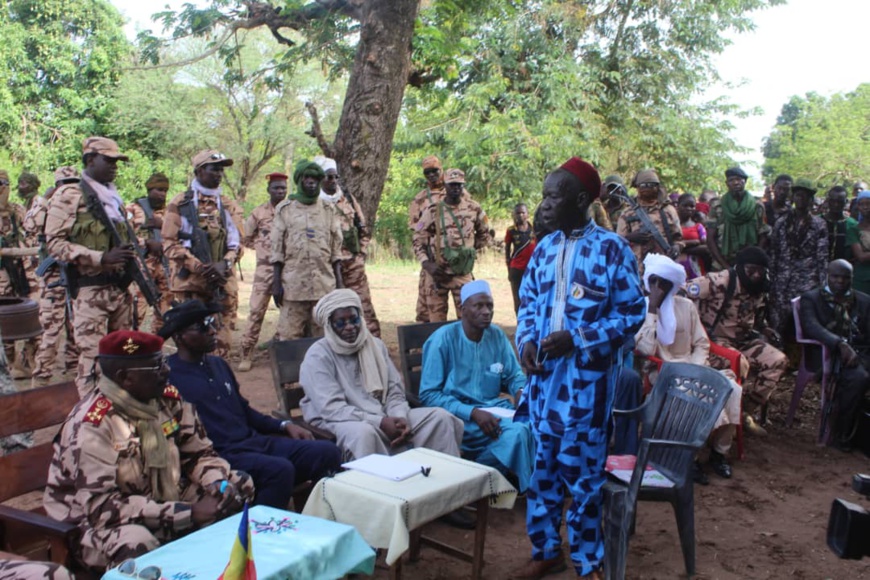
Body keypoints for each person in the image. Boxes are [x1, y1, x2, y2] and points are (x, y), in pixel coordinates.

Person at [514, 157, 645, 579]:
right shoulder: (544, 248)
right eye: (544, 196)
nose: (545, 205)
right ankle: (546, 550)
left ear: (582, 200)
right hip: (543, 386)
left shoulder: (611, 249)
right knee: (543, 474)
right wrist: (526, 341)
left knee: (584, 480)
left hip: (586, 389)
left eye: (554, 197)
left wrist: (579, 338)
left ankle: (588, 562)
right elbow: (528, 304)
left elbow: (633, 312)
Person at [44, 330, 254, 569]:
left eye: (163, 361)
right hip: (94, 525)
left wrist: (216, 483)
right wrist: (188, 513)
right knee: (137, 542)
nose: (167, 370)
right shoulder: (93, 426)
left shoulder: (165, 399)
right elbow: (101, 508)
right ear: (126, 378)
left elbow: (198, 454)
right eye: (156, 366)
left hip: (160, 499)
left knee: (238, 486)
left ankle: (215, 569)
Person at [162, 300, 341, 509]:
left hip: (252, 442)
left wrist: (283, 425)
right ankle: (259, 528)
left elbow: (244, 411)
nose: (212, 331)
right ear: (179, 337)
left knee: (327, 452)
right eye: (202, 327)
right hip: (219, 453)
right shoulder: (169, 376)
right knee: (279, 470)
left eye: (211, 322)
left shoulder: (218, 364)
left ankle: (319, 515)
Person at [300, 288, 463, 459]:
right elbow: (332, 409)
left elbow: (394, 391)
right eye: (341, 323)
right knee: (364, 434)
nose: (350, 327)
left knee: (439, 418)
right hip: (341, 421)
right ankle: (380, 477)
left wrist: (399, 417)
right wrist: (380, 422)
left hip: (384, 416)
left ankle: (442, 473)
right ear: (329, 325)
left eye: (354, 320)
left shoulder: (375, 346)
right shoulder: (318, 356)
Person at [635, 254, 743, 481]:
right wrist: (652, 309)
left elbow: (702, 343)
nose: (659, 288)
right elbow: (645, 349)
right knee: (693, 393)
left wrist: (695, 369)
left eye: (664, 283)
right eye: (654, 282)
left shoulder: (686, 306)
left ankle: (719, 453)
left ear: (672, 285)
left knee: (732, 389)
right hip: (663, 372)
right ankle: (688, 458)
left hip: (694, 367)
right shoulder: (640, 309)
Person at [44, 137, 139, 396]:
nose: (114, 166)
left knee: (124, 357)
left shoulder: (112, 196)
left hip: (120, 290)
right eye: (109, 161)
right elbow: (54, 244)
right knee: (93, 362)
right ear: (90, 160)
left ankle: (118, 412)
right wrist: (100, 257)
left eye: (117, 162)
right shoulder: (70, 195)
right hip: (90, 291)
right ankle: (88, 414)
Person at [419, 280, 534, 491]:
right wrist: (472, 412)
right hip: (460, 418)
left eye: (489, 305)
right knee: (518, 433)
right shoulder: (443, 340)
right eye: (478, 306)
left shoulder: (496, 335)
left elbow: (513, 375)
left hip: (496, 413)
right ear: (462, 309)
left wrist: (520, 392)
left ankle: (497, 477)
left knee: (536, 423)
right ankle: (478, 481)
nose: (486, 312)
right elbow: (428, 394)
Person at [687, 246, 787, 432]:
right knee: (739, 363)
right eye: (751, 270)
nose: (756, 275)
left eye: (760, 271)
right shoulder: (719, 281)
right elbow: (682, 292)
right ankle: (720, 417)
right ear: (740, 267)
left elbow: (756, 316)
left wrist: (764, 328)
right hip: (713, 341)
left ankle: (743, 412)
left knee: (778, 361)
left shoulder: (761, 286)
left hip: (742, 340)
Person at [162, 149, 244, 358]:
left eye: (221, 170)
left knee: (221, 342)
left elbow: (238, 243)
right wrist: (199, 267)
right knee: (192, 343)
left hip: (222, 284)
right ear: (199, 171)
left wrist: (224, 264)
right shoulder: (181, 203)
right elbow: (169, 243)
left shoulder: (228, 204)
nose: (219, 174)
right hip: (191, 285)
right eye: (213, 169)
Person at [799, 260, 870, 450]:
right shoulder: (812, 298)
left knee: (862, 373)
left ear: (852, 279)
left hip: (860, 353)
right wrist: (840, 344)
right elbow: (812, 327)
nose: (840, 281)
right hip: (826, 354)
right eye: (836, 277)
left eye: (845, 278)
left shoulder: (863, 301)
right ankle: (841, 433)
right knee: (859, 378)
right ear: (827, 276)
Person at [271, 160, 343, 339]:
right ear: (299, 181)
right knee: (289, 338)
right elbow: (277, 249)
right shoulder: (284, 209)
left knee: (325, 339)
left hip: (323, 286)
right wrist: (276, 282)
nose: (311, 182)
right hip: (293, 287)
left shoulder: (328, 209)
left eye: (315, 179)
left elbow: (336, 250)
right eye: (307, 178)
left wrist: (340, 284)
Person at [25, 167, 80, 387]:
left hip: (76, 273)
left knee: (75, 325)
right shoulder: (48, 204)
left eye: (73, 182)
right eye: (65, 184)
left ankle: (73, 371)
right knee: (51, 329)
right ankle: (41, 378)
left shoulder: (82, 204)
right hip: (53, 277)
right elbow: (30, 225)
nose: (69, 188)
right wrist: (43, 201)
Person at [315, 156, 381, 337]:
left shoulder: (348, 199)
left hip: (352, 265)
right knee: (330, 308)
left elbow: (363, 228)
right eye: (329, 177)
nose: (333, 181)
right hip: (327, 267)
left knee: (364, 306)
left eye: (336, 177)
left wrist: (361, 254)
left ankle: (374, 343)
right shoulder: (314, 203)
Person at [412, 168, 490, 321]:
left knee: (469, 320)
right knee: (435, 323)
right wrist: (427, 263)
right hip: (437, 274)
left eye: (459, 185)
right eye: (452, 185)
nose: (456, 188)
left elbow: (486, 234)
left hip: (462, 274)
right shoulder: (433, 210)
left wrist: (468, 252)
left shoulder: (474, 208)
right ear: (445, 185)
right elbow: (418, 238)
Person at [237, 172, 287, 371]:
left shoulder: (292, 211)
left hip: (288, 270)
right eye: (276, 188)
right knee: (256, 311)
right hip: (264, 270)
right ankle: (246, 353)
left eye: (283, 188)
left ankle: (283, 353)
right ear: (269, 190)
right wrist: (261, 248)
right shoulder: (259, 213)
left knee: (289, 313)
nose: (280, 191)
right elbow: (245, 236)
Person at [768, 178, 828, 337]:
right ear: (793, 197)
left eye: (805, 196)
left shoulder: (819, 224)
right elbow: (774, 253)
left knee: (805, 322)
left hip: (808, 281)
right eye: (798, 195)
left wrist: (823, 286)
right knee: (778, 322)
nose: (801, 199)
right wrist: (771, 280)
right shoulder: (781, 222)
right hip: (782, 281)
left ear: (811, 200)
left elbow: (822, 257)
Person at [0, 169, 36, 379]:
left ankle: (26, 360)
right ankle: (9, 363)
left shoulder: (17, 210)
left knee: (35, 311)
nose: (2, 188)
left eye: (4, 184)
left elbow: (32, 233)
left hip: (21, 269)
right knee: (4, 318)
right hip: (2, 273)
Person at [127, 173, 172, 333]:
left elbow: (178, 235)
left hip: (165, 267)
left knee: (164, 312)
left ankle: (156, 343)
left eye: (165, 190)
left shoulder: (170, 212)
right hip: (143, 266)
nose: (162, 194)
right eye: (158, 190)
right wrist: (146, 242)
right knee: (136, 311)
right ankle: (131, 343)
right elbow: (124, 237)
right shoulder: (133, 209)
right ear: (149, 190)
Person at [616, 168, 683, 268]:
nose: (647, 188)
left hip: (663, 266)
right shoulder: (628, 212)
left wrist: (676, 247)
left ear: (657, 187)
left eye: (651, 185)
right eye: (643, 185)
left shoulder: (668, 210)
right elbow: (617, 241)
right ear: (637, 187)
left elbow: (678, 239)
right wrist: (630, 238)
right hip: (636, 267)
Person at [408, 155, 447, 323]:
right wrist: (425, 260)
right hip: (430, 259)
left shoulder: (455, 190)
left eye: (434, 171)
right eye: (427, 172)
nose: (431, 175)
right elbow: (416, 230)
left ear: (441, 169)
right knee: (426, 310)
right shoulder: (420, 199)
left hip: (454, 258)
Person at [707, 167, 770, 269]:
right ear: (727, 183)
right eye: (731, 180)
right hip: (722, 263)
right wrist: (726, 266)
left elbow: (763, 235)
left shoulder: (757, 205)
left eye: (739, 179)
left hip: (749, 265)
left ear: (745, 181)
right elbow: (710, 238)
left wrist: (753, 260)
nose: (736, 183)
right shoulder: (717, 206)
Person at [504, 202, 536, 313]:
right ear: (514, 215)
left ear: (527, 214)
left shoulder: (534, 229)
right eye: (518, 213)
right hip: (517, 269)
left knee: (533, 295)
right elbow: (507, 251)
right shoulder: (511, 231)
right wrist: (509, 270)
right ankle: (520, 320)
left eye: (523, 212)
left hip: (532, 269)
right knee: (518, 298)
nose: (520, 215)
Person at [676, 192, 710, 279]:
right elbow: (669, 245)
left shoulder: (699, 227)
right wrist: (695, 242)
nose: (689, 209)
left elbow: (706, 248)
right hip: (675, 268)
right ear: (678, 206)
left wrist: (682, 246)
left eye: (692, 206)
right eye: (685, 205)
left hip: (695, 268)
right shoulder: (672, 226)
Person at [823, 186, 857, 262]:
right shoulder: (818, 221)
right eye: (833, 201)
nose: (836, 204)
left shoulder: (852, 224)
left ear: (846, 202)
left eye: (840, 202)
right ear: (828, 201)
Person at [848, 191, 870, 294]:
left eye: (868, 203)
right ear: (858, 207)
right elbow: (861, 257)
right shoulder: (853, 230)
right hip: (862, 280)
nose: (865, 207)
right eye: (862, 204)